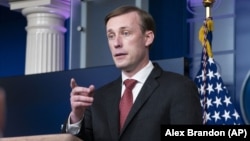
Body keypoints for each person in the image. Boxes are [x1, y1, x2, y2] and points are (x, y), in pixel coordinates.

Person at [61, 5, 202, 141]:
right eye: (111, 35)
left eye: (125, 33)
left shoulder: (179, 88)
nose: (116, 43)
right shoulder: (97, 99)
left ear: (148, 38)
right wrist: (77, 117)